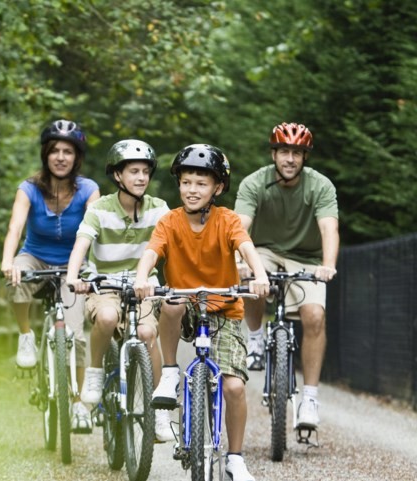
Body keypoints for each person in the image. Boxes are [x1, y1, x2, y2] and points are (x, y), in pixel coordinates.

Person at [133, 144, 270, 481]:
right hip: (187, 305)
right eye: (186, 182)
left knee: (234, 387)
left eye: (201, 183)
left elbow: (246, 247)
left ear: (218, 188)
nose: (192, 190)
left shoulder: (228, 220)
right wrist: (141, 278)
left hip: (223, 308)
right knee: (172, 301)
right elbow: (151, 254)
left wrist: (260, 274)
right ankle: (169, 372)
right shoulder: (170, 221)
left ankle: (235, 459)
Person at [234, 122, 339, 430]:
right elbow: (240, 227)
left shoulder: (320, 186)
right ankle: (254, 339)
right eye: (284, 152)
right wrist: (241, 261)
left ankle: (309, 398)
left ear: (305, 157)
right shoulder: (255, 183)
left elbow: (329, 228)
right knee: (253, 282)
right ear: (273, 153)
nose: (290, 159)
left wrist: (328, 264)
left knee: (314, 316)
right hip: (263, 250)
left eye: (297, 152)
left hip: (306, 257)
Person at [65, 139, 172, 440]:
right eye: (134, 171)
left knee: (149, 334)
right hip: (104, 285)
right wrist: (74, 277)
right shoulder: (99, 210)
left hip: (143, 286)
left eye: (146, 172)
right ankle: (96, 374)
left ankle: (160, 413)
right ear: (117, 176)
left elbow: (177, 243)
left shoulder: (159, 208)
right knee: (108, 317)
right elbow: (81, 246)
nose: (141, 178)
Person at [1, 119, 100, 432]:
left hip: (73, 265)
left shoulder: (88, 189)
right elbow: (15, 227)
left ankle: (77, 403)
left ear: (76, 157)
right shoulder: (28, 188)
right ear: (46, 155)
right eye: (55, 150)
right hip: (37, 258)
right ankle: (26, 335)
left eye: (67, 151)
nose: (61, 157)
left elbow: (95, 231)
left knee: (76, 335)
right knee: (17, 278)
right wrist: (9, 261)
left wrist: (91, 270)